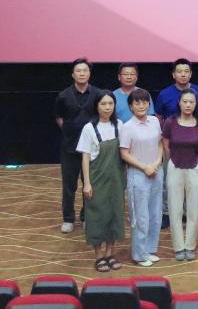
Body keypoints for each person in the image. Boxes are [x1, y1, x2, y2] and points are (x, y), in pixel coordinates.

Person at [154, 58, 198, 230]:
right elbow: (159, 119)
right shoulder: (164, 94)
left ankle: (185, 212)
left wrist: (197, 149)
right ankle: (167, 213)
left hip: (191, 147)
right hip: (171, 145)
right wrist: (167, 151)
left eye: (186, 71)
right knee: (168, 182)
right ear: (173, 74)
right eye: (179, 71)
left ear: (190, 74)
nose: (183, 74)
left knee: (190, 183)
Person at [54, 57, 104, 233]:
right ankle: (68, 218)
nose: (82, 73)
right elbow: (59, 119)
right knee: (69, 185)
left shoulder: (98, 94)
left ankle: (86, 217)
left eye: (85, 70)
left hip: (92, 149)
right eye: (78, 71)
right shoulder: (63, 96)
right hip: (70, 147)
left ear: (89, 73)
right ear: (73, 74)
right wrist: (72, 131)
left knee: (89, 183)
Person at [77, 93, 125, 272]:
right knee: (96, 216)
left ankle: (110, 253)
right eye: (103, 103)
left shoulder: (119, 125)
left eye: (110, 103)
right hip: (96, 177)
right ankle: (98, 255)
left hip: (116, 178)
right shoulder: (89, 128)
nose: (107, 107)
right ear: (96, 106)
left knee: (114, 214)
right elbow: (85, 157)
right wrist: (87, 183)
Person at [119, 88, 163, 267]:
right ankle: (139, 254)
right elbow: (124, 154)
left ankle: (150, 250)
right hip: (138, 174)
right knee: (140, 216)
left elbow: (160, 144)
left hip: (156, 171)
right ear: (130, 106)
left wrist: (157, 163)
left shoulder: (155, 121)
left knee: (155, 213)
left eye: (145, 102)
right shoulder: (127, 127)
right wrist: (145, 167)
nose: (141, 105)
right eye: (137, 103)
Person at [162, 89, 198, 261]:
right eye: (185, 101)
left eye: (191, 102)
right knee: (175, 208)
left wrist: (193, 160)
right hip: (174, 166)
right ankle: (179, 247)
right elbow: (166, 144)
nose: (188, 105)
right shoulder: (170, 122)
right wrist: (173, 160)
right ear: (179, 103)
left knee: (194, 208)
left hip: (193, 166)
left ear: (196, 104)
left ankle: (190, 246)